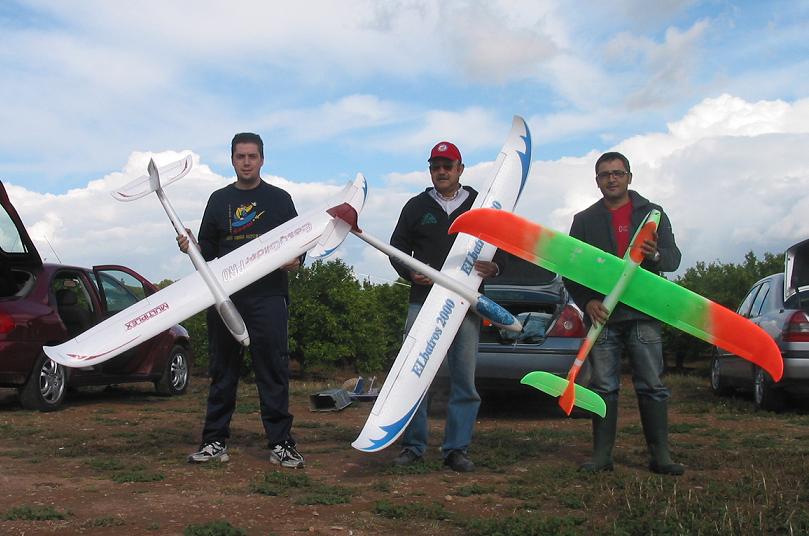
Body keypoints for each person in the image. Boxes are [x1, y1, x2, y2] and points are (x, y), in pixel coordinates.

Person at [178, 132, 304, 468]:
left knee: (273, 369)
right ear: (232, 160)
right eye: (240, 156)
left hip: (269, 296)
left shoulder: (280, 199)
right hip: (225, 298)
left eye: (252, 156)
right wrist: (191, 246)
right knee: (223, 371)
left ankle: (281, 443)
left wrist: (296, 260)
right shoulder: (219, 200)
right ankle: (214, 442)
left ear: (262, 159)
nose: (246, 162)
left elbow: (299, 243)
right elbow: (206, 251)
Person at [388, 141, 506, 473]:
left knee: (464, 380)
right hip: (423, 302)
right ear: (430, 170)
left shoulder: (480, 204)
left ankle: (456, 449)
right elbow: (397, 247)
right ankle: (413, 445)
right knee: (413, 375)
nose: (441, 172)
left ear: (460, 169)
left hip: (465, 304)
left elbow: (503, 244)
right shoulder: (416, 206)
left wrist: (496, 267)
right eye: (435, 166)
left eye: (447, 166)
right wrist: (410, 272)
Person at [565, 151, 684, 475]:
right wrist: (587, 301)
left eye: (618, 173)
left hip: (643, 314)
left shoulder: (653, 214)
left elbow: (673, 258)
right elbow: (570, 271)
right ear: (597, 181)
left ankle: (661, 457)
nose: (612, 179)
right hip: (603, 317)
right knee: (604, 387)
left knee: (652, 385)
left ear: (629, 177)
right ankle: (602, 456)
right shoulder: (584, 220)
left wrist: (655, 255)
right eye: (605, 174)